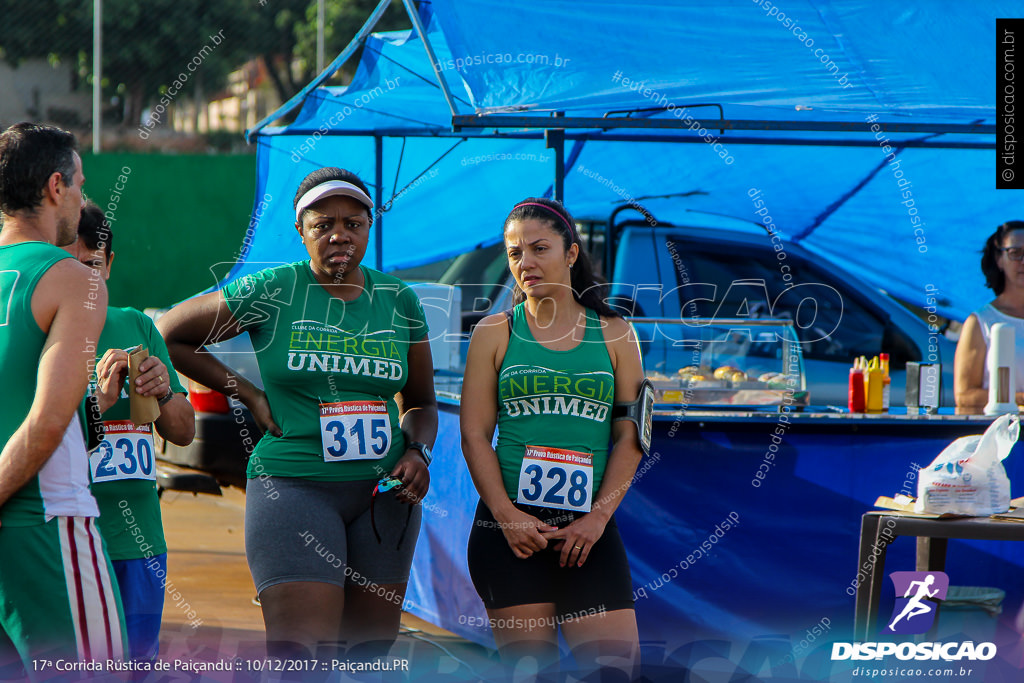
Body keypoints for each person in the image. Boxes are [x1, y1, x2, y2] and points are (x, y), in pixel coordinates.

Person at [157, 167, 436, 661]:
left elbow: (420, 402)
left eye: (353, 222)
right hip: (295, 487)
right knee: (302, 654)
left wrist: (418, 450)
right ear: (301, 230)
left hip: (384, 496)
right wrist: (246, 392)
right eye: (323, 223)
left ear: (369, 227)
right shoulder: (275, 289)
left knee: (368, 654)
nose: (339, 235)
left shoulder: (399, 300)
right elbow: (171, 332)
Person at [461, 198, 645, 679]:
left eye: (540, 248)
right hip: (509, 534)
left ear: (570, 254)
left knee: (614, 671)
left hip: (588, 531)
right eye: (515, 253)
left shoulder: (616, 333)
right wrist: (507, 517)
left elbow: (631, 438)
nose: (526, 263)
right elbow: (475, 435)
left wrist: (599, 517)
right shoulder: (494, 332)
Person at [0, 123, 126, 670]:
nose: (82, 198)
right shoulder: (75, 279)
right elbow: (49, 422)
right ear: (56, 186)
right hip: (45, 525)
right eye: (79, 184)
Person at [63, 201, 196, 661]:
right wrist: (96, 402)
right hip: (74, 541)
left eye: (94, 266)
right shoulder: (43, 334)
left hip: (141, 543)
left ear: (111, 264)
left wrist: (162, 393)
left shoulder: (136, 325)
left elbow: (183, 431)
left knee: (138, 664)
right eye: (72, 267)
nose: (85, 280)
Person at [954, 221, 1024, 411]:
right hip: (1001, 436)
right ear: (999, 259)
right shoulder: (981, 321)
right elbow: (964, 395)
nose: (1023, 261)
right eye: (1015, 252)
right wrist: (1019, 399)